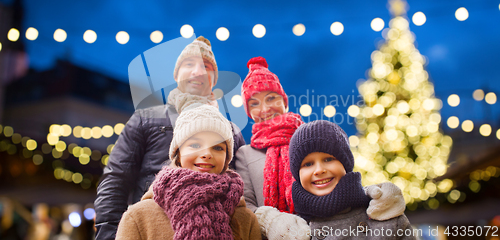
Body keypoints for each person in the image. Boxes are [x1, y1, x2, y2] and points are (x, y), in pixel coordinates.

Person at [235, 57, 406, 240]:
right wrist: (274, 221)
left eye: (271, 98)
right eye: (254, 103)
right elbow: (247, 205)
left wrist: (377, 196)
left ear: (284, 101)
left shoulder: (310, 138)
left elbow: (345, 180)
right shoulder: (245, 154)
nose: (265, 108)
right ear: (248, 111)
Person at [94, 36, 246, 240]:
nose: (198, 71)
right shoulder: (146, 118)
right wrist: (111, 235)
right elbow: (116, 178)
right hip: (152, 230)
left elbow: (243, 192)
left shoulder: (231, 131)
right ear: (176, 74)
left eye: (207, 66)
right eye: (189, 63)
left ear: (214, 80)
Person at [115, 104, 261, 240]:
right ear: (178, 153)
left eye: (218, 148)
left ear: (227, 158)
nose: (207, 154)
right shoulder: (138, 217)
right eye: (195, 144)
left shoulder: (246, 219)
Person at [289, 120, 414, 240]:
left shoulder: (385, 216)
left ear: (345, 164)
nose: (319, 170)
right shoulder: (291, 230)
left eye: (328, 159)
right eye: (308, 164)